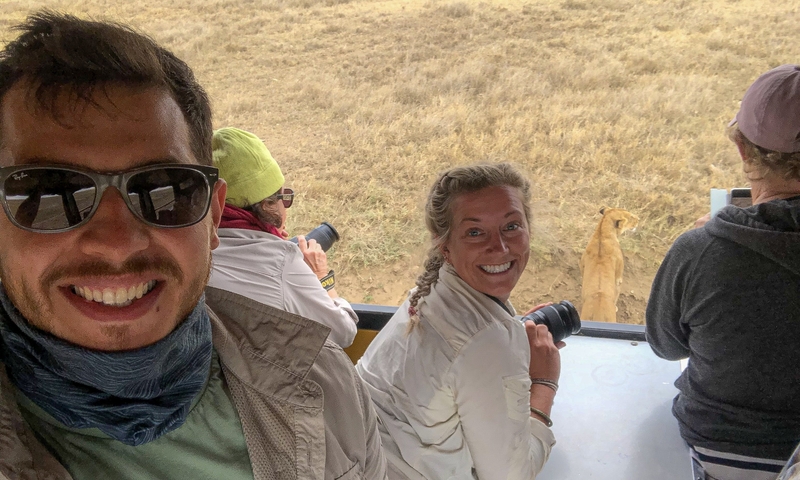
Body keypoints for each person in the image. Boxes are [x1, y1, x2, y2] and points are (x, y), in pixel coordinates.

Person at [0, 12, 386, 480]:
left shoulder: (326, 385)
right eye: (48, 194)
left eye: (165, 191)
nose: (116, 244)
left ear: (214, 215)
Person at [356, 163, 562, 479]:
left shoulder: (432, 289)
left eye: (511, 226)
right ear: (446, 246)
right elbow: (510, 476)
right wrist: (544, 384)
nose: (500, 247)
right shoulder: (488, 342)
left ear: (528, 229)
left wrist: (513, 335)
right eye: (475, 232)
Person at [646, 64, 800, 480]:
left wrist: (708, 244)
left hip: (718, 450)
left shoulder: (700, 250)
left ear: (744, 151)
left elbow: (666, 345)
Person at [207, 127, 358, 347]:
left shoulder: (190, 246)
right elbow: (344, 332)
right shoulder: (282, 263)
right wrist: (320, 276)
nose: (285, 205)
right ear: (267, 205)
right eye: (283, 198)